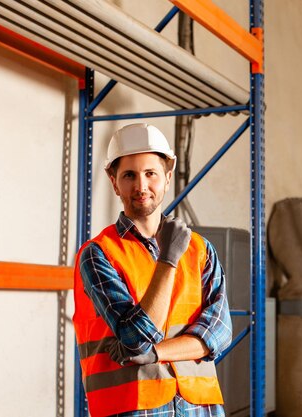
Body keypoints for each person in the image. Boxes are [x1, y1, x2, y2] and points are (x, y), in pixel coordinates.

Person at [73, 123, 232, 417]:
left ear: (167, 178)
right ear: (114, 182)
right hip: (132, 408)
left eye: (150, 174)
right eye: (129, 175)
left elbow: (219, 333)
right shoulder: (98, 254)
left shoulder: (200, 249)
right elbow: (136, 339)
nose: (141, 186)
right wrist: (168, 260)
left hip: (200, 407)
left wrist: (157, 353)